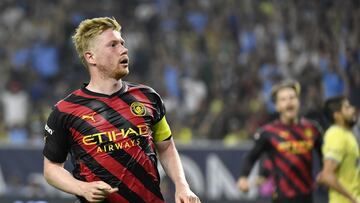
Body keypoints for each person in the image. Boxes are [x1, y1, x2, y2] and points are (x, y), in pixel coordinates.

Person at [42, 17, 200, 203]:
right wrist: (82, 188)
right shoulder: (65, 111)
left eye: (122, 43)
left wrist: (182, 186)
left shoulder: (148, 97)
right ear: (90, 57)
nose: (124, 50)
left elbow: (166, 147)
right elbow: (51, 168)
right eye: (113, 45)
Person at [237, 80, 323, 203]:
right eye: (283, 99)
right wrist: (243, 178)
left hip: (307, 198)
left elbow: (323, 154)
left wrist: (325, 172)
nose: (289, 102)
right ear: (277, 106)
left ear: (298, 101)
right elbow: (251, 157)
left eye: (292, 97)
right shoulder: (268, 132)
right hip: (282, 198)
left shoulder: (312, 129)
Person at [316, 96, 360, 203]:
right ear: (337, 115)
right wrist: (352, 198)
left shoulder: (347, 134)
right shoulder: (336, 135)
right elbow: (327, 175)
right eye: (347, 108)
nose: (353, 110)